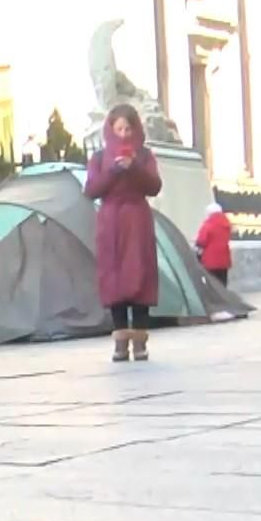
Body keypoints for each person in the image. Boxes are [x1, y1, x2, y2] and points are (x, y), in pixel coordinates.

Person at [86, 105, 164, 363]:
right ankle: (120, 341)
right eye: (118, 129)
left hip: (137, 219)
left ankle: (140, 340)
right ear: (110, 130)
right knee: (113, 276)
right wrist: (114, 170)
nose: (122, 134)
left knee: (140, 274)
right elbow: (92, 189)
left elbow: (154, 186)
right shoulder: (99, 158)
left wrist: (134, 168)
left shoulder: (145, 155)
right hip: (110, 222)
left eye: (127, 129)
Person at [196, 202, 233, 287]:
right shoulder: (226, 224)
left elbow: (201, 241)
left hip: (210, 260)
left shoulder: (209, 224)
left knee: (211, 283)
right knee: (222, 282)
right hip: (224, 259)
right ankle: (223, 298)